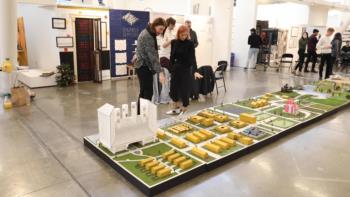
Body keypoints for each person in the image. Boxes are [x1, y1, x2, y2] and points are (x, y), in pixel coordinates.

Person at [166, 25, 203, 115]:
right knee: (173, 89)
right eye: (182, 35)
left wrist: (196, 70)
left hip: (186, 69)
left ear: (187, 35)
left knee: (184, 90)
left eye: (185, 35)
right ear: (178, 34)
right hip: (176, 68)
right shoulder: (174, 42)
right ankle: (176, 108)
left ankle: (184, 109)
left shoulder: (190, 43)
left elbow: (193, 58)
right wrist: (170, 69)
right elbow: (171, 56)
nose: (183, 37)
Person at [135, 18, 166, 111]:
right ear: (155, 25)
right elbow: (152, 57)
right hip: (143, 67)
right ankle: (143, 115)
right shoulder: (148, 35)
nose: (161, 32)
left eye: (162, 30)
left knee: (145, 92)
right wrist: (160, 72)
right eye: (160, 29)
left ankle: (140, 114)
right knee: (147, 93)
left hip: (143, 67)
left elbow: (152, 54)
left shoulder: (149, 32)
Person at [154, 17, 177, 104]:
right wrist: (171, 40)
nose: (173, 27)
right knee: (166, 77)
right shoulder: (164, 32)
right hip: (163, 57)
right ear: (169, 24)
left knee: (168, 77)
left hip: (168, 57)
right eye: (172, 25)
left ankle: (166, 97)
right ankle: (164, 98)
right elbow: (164, 45)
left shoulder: (170, 32)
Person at [185, 19, 199, 100]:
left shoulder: (194, 33)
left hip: (192, 54)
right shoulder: (182, 32)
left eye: (189, 26)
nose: (188, 27)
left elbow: (197, 42)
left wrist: (192, 46)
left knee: (192, 73)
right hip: (184, 56)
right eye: (187, 26)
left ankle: (192, 93)